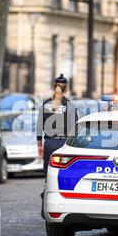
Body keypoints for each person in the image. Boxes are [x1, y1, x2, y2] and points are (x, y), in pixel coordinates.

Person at [37, 74, 78, 218]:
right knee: (62, 176)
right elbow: (75, 130)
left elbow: (39, 126)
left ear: (54, 87)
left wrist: (39, 145)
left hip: (49, 144)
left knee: (48, 177)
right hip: (63, 145)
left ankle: (45, 203)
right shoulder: (70, 106)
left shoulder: (46, 104)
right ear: (66, 89)